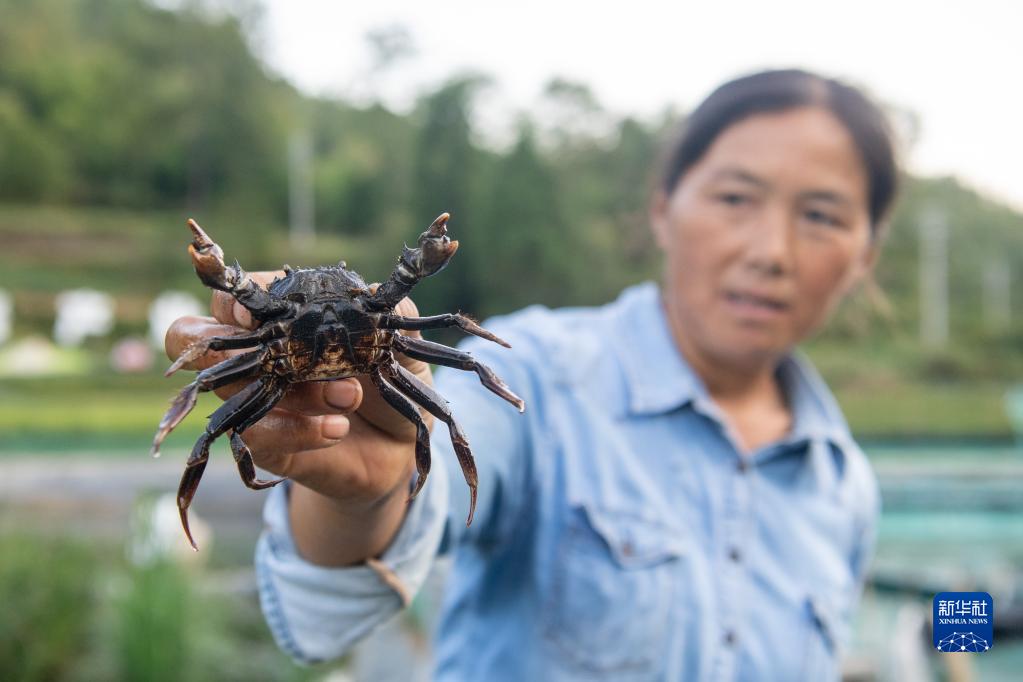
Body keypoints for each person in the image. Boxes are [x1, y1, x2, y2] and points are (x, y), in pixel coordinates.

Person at [165, 68, 898, 680]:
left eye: (823, 216)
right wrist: (368, 493)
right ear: (662, 209)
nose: (771, 250)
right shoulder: (536, 379)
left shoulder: (845, 484)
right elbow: (332, 605)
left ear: (867, 253)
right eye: (736, 198)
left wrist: (967, 635)